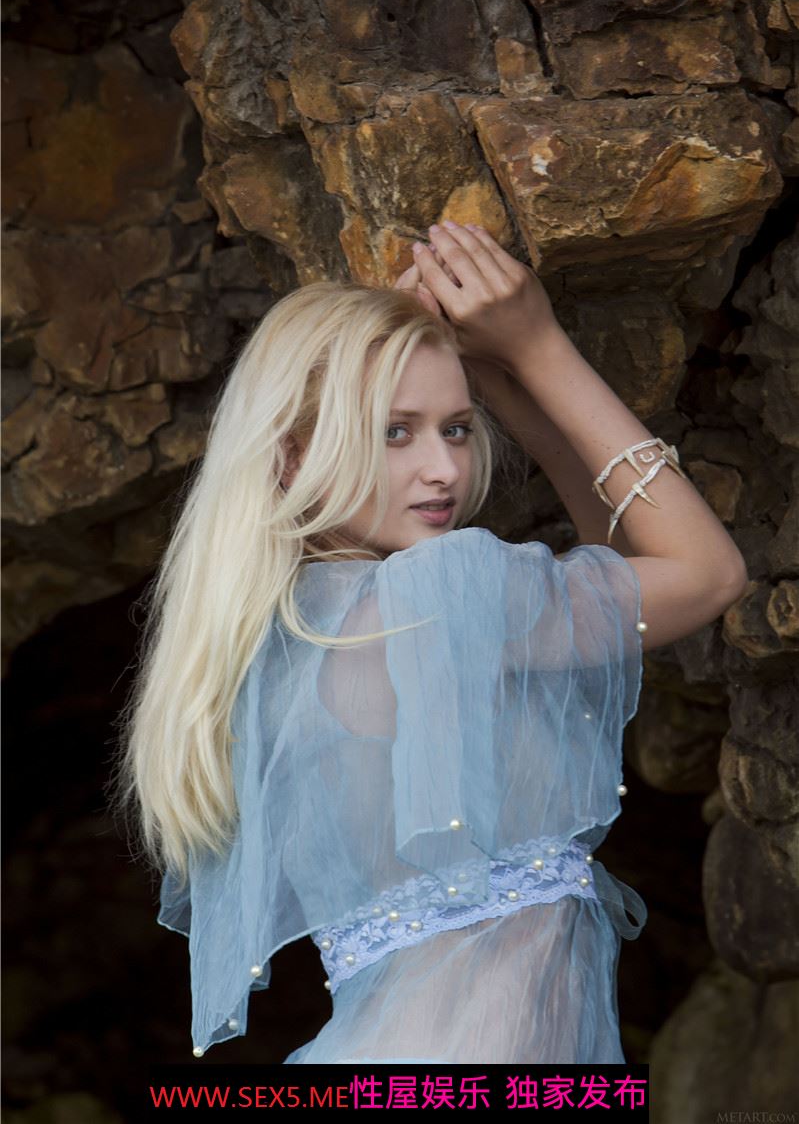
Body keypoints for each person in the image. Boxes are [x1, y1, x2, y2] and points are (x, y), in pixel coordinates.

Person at [108, 222, 748, 1064]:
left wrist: (503, 387)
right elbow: (704, 573)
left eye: (457, 426)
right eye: (394, 431)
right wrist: (539, 351)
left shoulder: (280, 633)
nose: (443, 469)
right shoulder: (435, 600)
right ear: (292, 455)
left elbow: (618, 579)